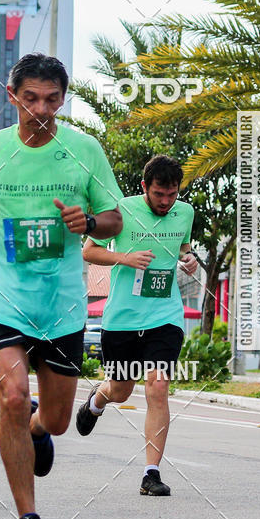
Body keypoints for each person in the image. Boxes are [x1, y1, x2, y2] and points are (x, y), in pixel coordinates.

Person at [0, 52, 123, 519]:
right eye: (31, 98)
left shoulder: (84, 150)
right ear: (12, 96)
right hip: (3, 297)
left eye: (52, 99)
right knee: (12, 399)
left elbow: (113, 220)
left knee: (56, 419)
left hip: (63, 303)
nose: (41, 108)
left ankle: (42, 430)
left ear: (63, 99)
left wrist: (85, 221)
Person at [77, 155, 198, 496]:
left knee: (157, 387)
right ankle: (96, 401)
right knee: (121, 390)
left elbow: (185, 248)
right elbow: (89, 251)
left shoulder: (185, 212)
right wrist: (124, 258)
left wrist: (189, 259)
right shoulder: (120, 210)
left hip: (165, 316)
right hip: (123, 319)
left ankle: (151, 473)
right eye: (159, 194)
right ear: (144, 187)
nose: (165, 201)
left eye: (172, 194)